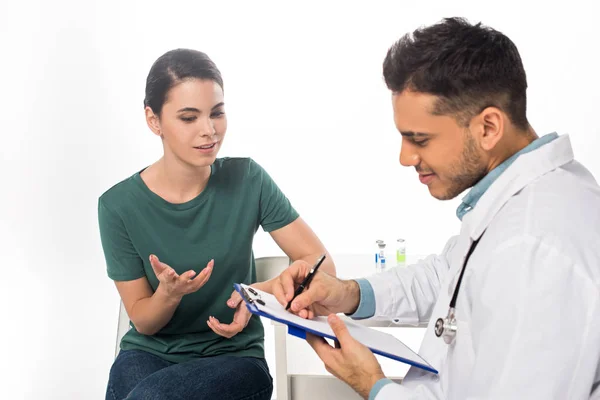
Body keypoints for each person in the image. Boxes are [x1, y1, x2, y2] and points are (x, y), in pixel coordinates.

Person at [266, 17, 600, 399]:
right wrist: (350, 294)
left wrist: (373, 386)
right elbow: (452, 273)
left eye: (419, 139)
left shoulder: (536, 244)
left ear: (488, 127)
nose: (405, 157)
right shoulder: (526, 199)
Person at [97, 48, 335, 400]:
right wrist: (169, 293)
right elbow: (144, 321)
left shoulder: (248, 180)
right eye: (189, 117)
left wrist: (256, 294)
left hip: (235, 360)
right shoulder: (118, 206)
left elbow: (322, 266)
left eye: (217, 113)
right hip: (148, 354)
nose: (209, 131)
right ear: (154, 120)